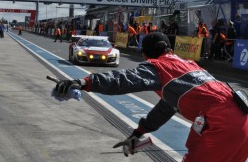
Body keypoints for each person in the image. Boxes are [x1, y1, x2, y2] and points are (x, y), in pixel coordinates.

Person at [53, 32, 248, 162]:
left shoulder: (158, 66)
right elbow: (165, 108)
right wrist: (138, 133)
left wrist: (84, 82)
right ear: (170, 49)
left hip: (220, 125)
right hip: (241, 119)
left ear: (146, 56)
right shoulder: (189, 65)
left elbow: (124, 78)